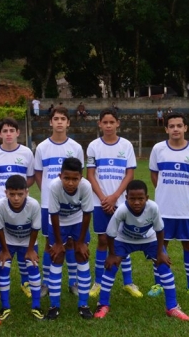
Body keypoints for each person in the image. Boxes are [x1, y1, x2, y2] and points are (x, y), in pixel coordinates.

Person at [94, 180, 189, 321]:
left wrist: (160, 253)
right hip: (125, 239)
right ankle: (102, 305)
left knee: (164, 266)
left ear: (147, 198)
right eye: (133, 199)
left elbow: (160, 230)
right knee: (111, 267)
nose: (137, 202)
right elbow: (110, 233)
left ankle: (172, 307)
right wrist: (112, 255)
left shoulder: (153, 208)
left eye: (141, 199)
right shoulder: (122, 210)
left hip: (149, 239)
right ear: (126, 198)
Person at [148, 112, 189, 301]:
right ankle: (158, 283)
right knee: (161, 244)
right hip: (163, 209)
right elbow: (154, 176)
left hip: (186, 208)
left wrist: (182, 191)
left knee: (188, 244)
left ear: (185, 128)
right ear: (166, 129)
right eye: (171, 126)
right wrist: (166, 192)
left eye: (179, 126)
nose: (175, 129)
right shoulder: (158, 149)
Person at [86, 109, 140, 299]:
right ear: (99, 124)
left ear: (118, 123)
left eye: (112, 122)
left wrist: (116, 196)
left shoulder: (126, 145)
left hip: (121, 201)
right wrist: (103, 198)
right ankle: (98, 282)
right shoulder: (93, 146)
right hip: (100, 202)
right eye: (105, 122)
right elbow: (90, 175)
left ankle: (128, 282)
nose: (108, 125)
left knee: (123, 240)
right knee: (102, 240)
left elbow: (130, 174)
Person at [34, 106, 84, 298]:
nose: (60, 122)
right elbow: (39, 174)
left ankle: (73, 282)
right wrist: (48, 193)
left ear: (68, 122)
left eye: (63, 118)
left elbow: (80, 175)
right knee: (49, 243)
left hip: (71, 204)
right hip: (48, 204)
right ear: (51, 122)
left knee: (71, 243)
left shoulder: (76, 147)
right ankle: (46, 282)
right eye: (56, 118)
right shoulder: (42, 147)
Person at [0, 117, 35, 295]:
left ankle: (25, 282)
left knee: (23, 241)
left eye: (11, 131)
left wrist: (19, 194)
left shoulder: (27, 153)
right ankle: (1, 285)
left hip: (22, 205)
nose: (8, 134)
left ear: (18, 133)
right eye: (5, 131)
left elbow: (30, 178)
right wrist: (3, 195)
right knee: (2, 243)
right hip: (1, 206)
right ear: (0, 134)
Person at [47, 157, 94, 320]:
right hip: (58, 222)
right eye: (67, 178)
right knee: (57, 256)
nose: (71, 183)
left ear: (81, 178)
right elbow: (53, 214)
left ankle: (83, 304)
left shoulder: (86, 186)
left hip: (78, 221)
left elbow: (87, 213)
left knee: (81, 255)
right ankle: (54, 305)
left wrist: (80, 242)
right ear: (60, 176)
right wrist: (59, 243)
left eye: (75, 179)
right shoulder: (54, 186)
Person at [0, 175, 44, 321]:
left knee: (33, 268)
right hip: (7, 243)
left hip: (27, 242)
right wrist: (4, 250)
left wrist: (30, 250)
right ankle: (5, 306)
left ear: (27, 192)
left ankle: (36, 306)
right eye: (12, 194)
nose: (16, 198)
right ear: (6, 193)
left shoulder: (34, 205)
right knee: (3, 268)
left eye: (20, 194)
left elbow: (35, 229)